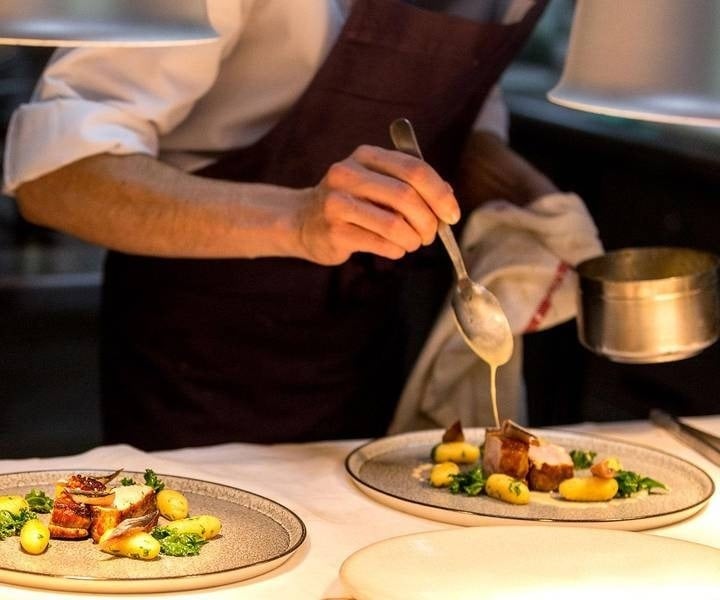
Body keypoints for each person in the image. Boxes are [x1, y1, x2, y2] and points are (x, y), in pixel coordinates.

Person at [4, 0, 557, 449]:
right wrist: (297, 219)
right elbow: (57, 177)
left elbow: (462, 124)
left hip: (364, 346)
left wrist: (547, 213)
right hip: (203, 359)